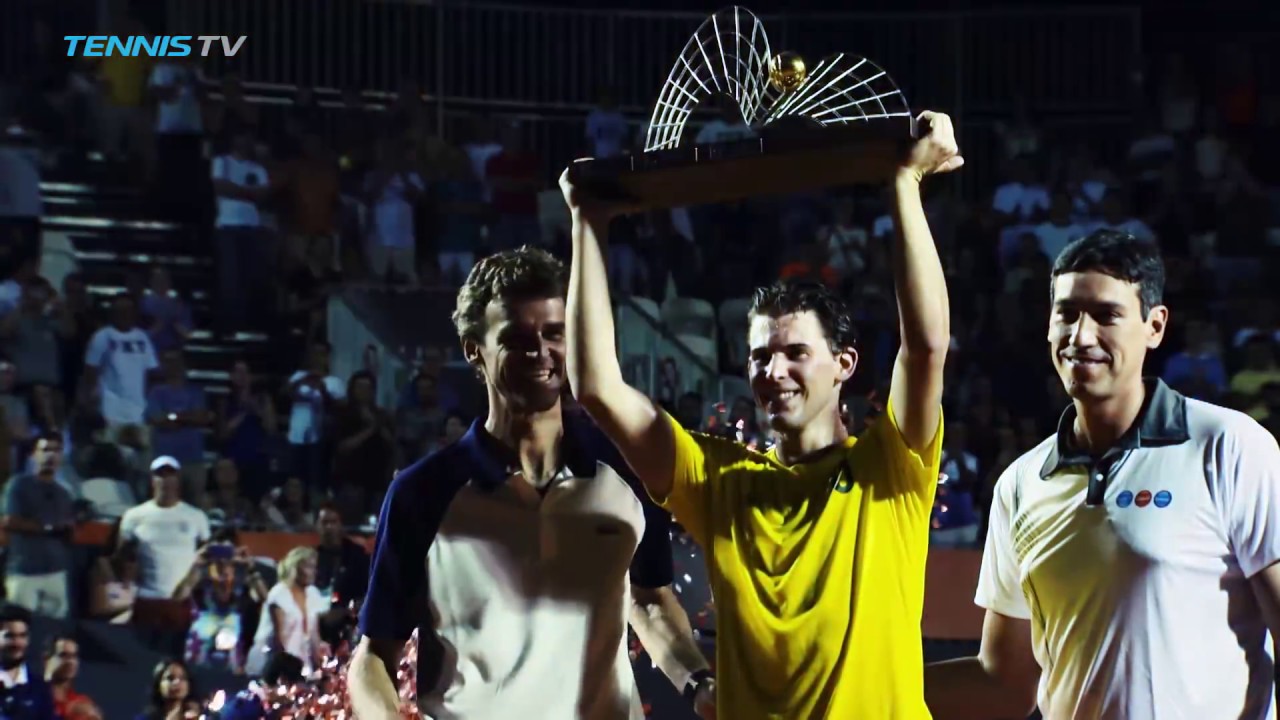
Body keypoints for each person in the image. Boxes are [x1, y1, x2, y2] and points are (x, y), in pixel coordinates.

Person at [559, 111, 962, 718]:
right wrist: (587, 222)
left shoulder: (892, 468)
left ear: (845, 364)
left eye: (796, 353)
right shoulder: (717, 479)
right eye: (759, 356)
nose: (774, 372)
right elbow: (595, 386)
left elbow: (926, 346)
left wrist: (905, 183)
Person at [925, 230, 1280, 719]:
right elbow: (1004, 684)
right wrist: (860, 680)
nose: (1081, 335)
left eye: (1107, 315)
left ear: (1154, 327)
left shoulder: (1227, 446)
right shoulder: (1021, 483)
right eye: (1067, 313)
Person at [348, 248, 712, 719]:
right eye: (518, 338)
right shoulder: (422, 494)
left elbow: (651, 601)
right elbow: (375, 655)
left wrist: (701, 685)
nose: (541, 352)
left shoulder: (628, 469)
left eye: (554, 333)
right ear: (473, 349)